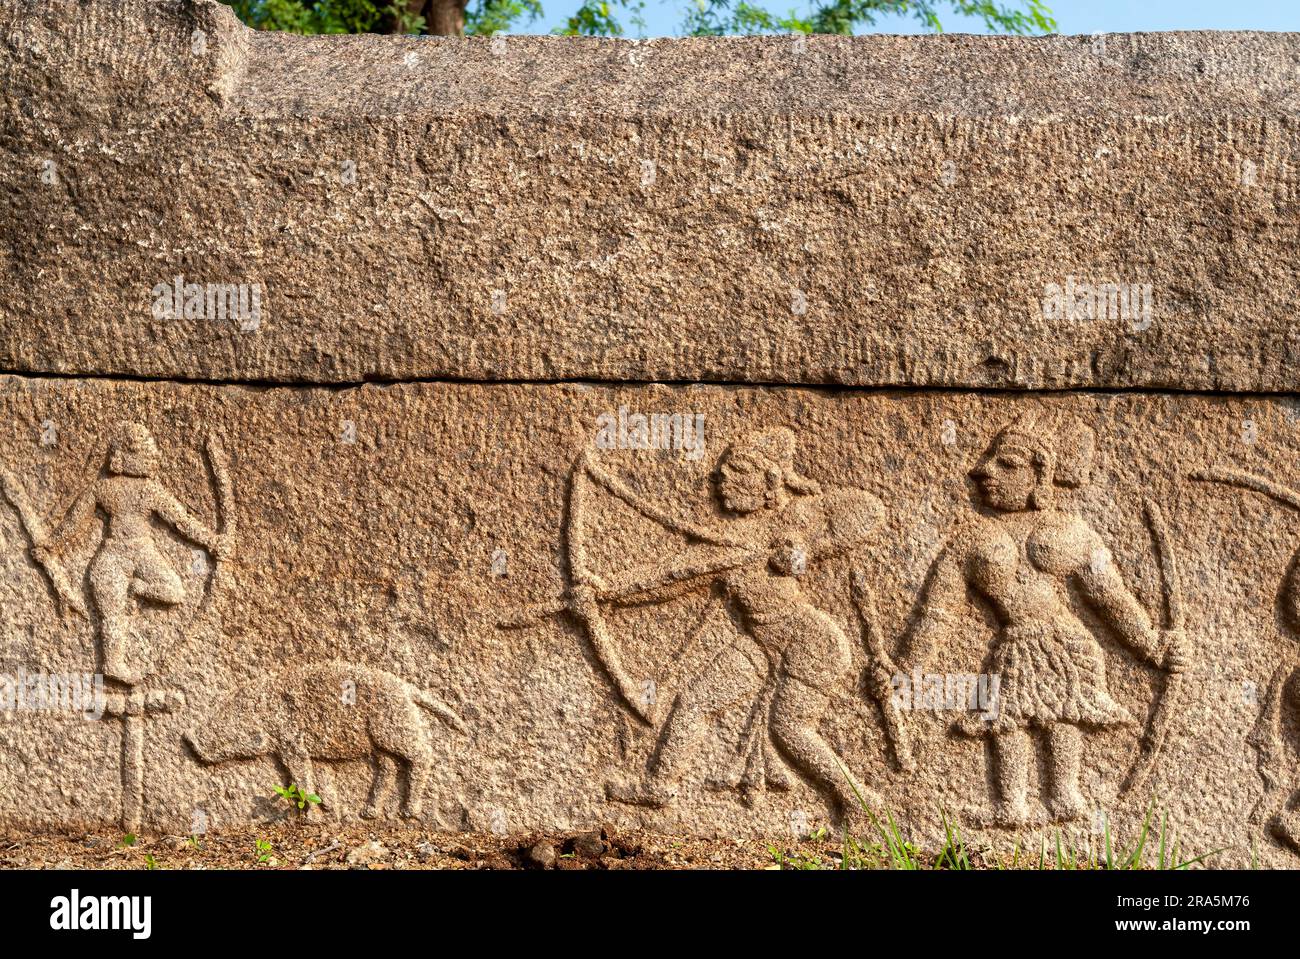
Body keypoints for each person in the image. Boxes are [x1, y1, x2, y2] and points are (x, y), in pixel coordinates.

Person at [900, 413, 1187, 825]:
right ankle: (1012, 804)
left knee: (1060, 713)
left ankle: (1065, 796)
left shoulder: (1070, 531)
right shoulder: (971, 541)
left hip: (1066, 641)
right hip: (1014, 642)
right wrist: (908, 671)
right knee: (1005, 716)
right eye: (989, 463)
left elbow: (1111, 599)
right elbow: (936, 613)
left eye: (1008, 465)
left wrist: (1153, 645)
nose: (985, 473)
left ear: (1040, 475)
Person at [604, 428, 885, 827]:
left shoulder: (793, 517)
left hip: (811, 645)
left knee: (789, 728)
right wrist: (607, 594)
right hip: (760, 640)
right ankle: (658, 786)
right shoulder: (729, 539)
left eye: (736, 470)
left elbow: (869, 511)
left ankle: (860, 800)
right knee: (696, 701)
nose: (721, 479)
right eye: (722, 471)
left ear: (768, 482)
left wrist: (802, 550)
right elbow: (671, 577)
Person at [36, 423, 227, 685]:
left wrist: (211, 542)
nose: (152, 458)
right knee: (111, 616)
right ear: (122, 456)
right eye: (141, 452)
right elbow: (74, 524)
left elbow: (181, 522)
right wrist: (50, 545)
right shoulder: (102, 488)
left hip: (142, 552)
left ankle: (136, 590)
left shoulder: (150, 490)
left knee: (174, 591)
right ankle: (112, 665)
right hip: (111, 557)